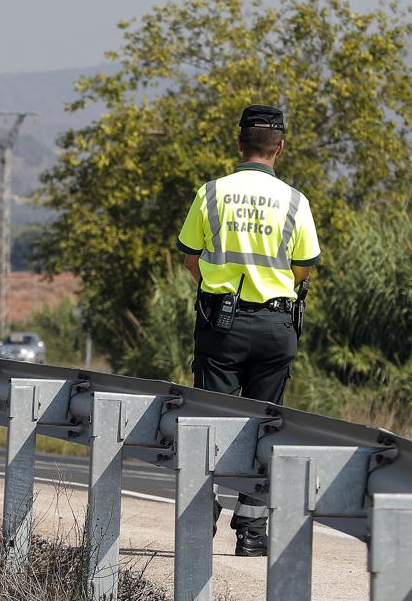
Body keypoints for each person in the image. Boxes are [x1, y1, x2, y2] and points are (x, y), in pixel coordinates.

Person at [176, 104, 321, 557]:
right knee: (264, 425)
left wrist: (221, 286)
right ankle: (253, 533)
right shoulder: (296, 200)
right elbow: (304, 267)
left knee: (210, 424)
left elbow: (189, 257)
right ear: (280, 147)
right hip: (277, 325)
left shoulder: (211, 194)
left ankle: (201, 521)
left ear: (239, 144)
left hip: (222, 325)